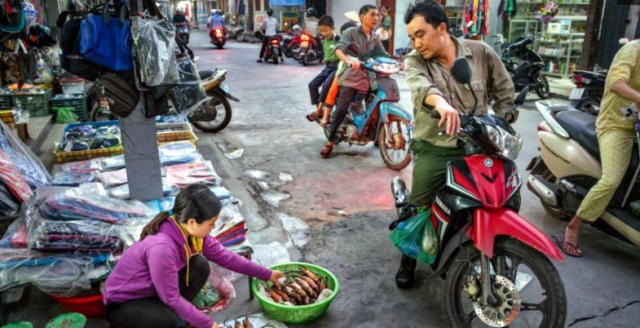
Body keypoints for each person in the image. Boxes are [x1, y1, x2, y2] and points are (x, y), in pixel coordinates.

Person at [396, 0, 515, 288]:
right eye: (411, 37)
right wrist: (442, 105)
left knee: (505, 195)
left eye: (420, 34)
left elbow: (505, 93)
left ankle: (501, 251)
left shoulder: (481, 52)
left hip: (479, 144)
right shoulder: (415, 60)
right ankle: (408, 256)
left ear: (441, 28)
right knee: (420, 205)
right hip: (435, 145)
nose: (416, 42)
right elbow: (424, 88)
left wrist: (499, 125)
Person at [104, 184, 285, 328]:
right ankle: (164, 318)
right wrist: (209, 324)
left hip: (153, 292)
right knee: (168, 321)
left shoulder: (191, 234)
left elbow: (226, 257)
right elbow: (171, 297)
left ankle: (175, 314)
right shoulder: (162, 249)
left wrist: (267, 274)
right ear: (192, 222)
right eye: (211, 223)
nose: (213, 228)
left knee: (199, 264)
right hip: (125, 304)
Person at [559, 40, 640, 257]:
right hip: (617, 125)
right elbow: (616, 83)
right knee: (611, 180)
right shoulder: (633, 50)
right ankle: (575, 224)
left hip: (637, 125)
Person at [320, 4, 389, 158]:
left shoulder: (375, 37)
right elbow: (339, 49)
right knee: (342, 109)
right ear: (362, 17)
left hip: (368, 77)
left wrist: (397, 62)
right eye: (372, 14)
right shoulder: (351, 32)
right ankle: (330, 141)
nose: (376, 18)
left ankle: (379, 134)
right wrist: (348, 60)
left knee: (377, 103)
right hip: (351, 77)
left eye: (377, 15)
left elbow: (382, 54)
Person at [305, 15, 340, 126]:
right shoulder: (322, 39)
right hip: (328, 67)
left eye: (325, 31)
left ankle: (319, 110)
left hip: (337, 67)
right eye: (321, 31)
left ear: (333, 28)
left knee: (326, 85)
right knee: (312, 85)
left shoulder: (338, 39)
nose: (323, 33)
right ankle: (319, 111)